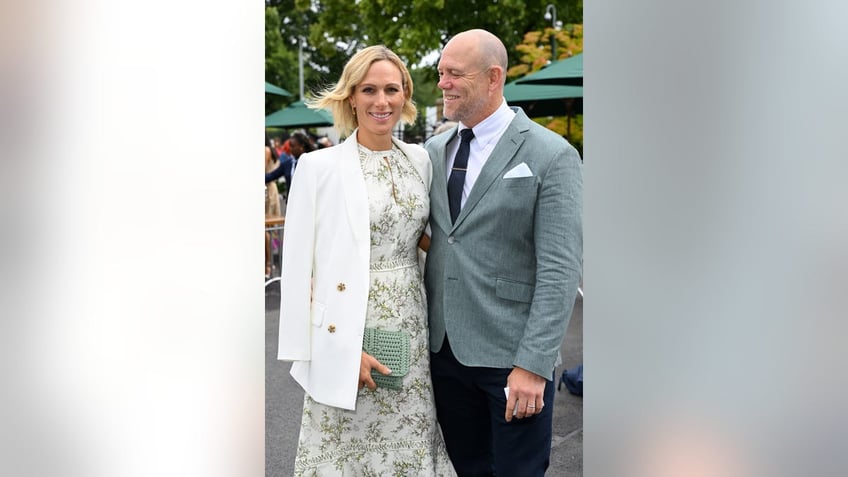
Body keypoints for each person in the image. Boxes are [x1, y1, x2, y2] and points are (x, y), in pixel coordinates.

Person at [276, 45, 456, 476]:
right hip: (345, 332)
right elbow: (297, 271)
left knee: (409, 445)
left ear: (405, 95)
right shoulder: (317, 167)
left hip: (411, 329)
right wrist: (337, 350)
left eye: (392, 90)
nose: (382, 101)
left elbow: (426, 240)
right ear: (351, 97)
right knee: (348, 452)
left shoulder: (420, 161)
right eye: (369, 90)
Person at [423, 29, 583, 476]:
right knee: (470, 469)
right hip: (446, 355)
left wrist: (532, 366)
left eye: (455, 73)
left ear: (494, 78)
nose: (443, 83)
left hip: (514, 360)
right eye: (441, 73)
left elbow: (560, 269)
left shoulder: (553, 155)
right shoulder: (434, 152)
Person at [265, 134, 283, 279]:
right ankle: (268, 264)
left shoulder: (265, 150)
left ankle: (268, 265)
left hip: (267, 190)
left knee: (267, 229)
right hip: (267, 188)